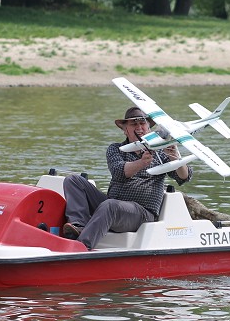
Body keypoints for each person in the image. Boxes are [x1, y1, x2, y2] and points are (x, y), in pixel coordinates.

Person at [60, 106, 193, 250]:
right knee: (73, 180)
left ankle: (81, 246)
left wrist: (177, 158)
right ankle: (78, 227)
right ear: (125, 130)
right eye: (134, 124)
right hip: (114, 205)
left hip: (142, 213)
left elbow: (184, 177)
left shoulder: (160, 152)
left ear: (149, 128)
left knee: (110, 206)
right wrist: (141, 162)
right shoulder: (116, 149)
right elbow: (119, 172)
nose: (139, 128)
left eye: (142, 123)